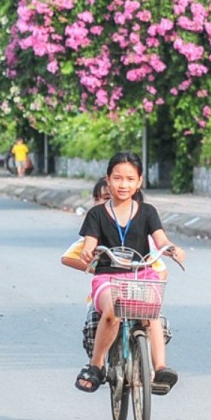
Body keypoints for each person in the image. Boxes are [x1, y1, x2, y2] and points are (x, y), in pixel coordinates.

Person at [62, 152, 185, 395]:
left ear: (139, 182)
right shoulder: (96, 214)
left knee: (152, 313)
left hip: (141, 276)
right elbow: (89, 243)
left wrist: (172, 249)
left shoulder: (148, 212)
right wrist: (88, 253)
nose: (123, 184)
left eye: (130, 179)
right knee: (112, 313)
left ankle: (160, 368)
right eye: (117, 178)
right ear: (108, 180)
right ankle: (95, 366)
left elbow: (161, 240)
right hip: (108, 278)